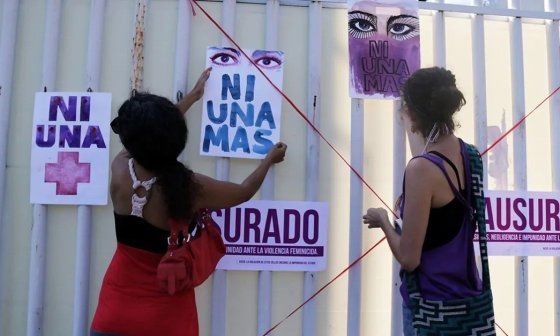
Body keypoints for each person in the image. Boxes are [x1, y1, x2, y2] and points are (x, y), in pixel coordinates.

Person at [90, 68, 287, 336]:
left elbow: (146, 139)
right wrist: (267, 161)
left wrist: (191, 99)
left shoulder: (121, 170)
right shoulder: (189, 187)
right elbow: (243, 191)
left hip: (113, 313)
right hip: (166, 318)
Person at [363, 67, 487, 335]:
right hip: (468, 300)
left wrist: (383, 220)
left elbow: (409, 259)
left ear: (414, 111)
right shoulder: (470, 154)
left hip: (432, 304)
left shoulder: (421, 169)